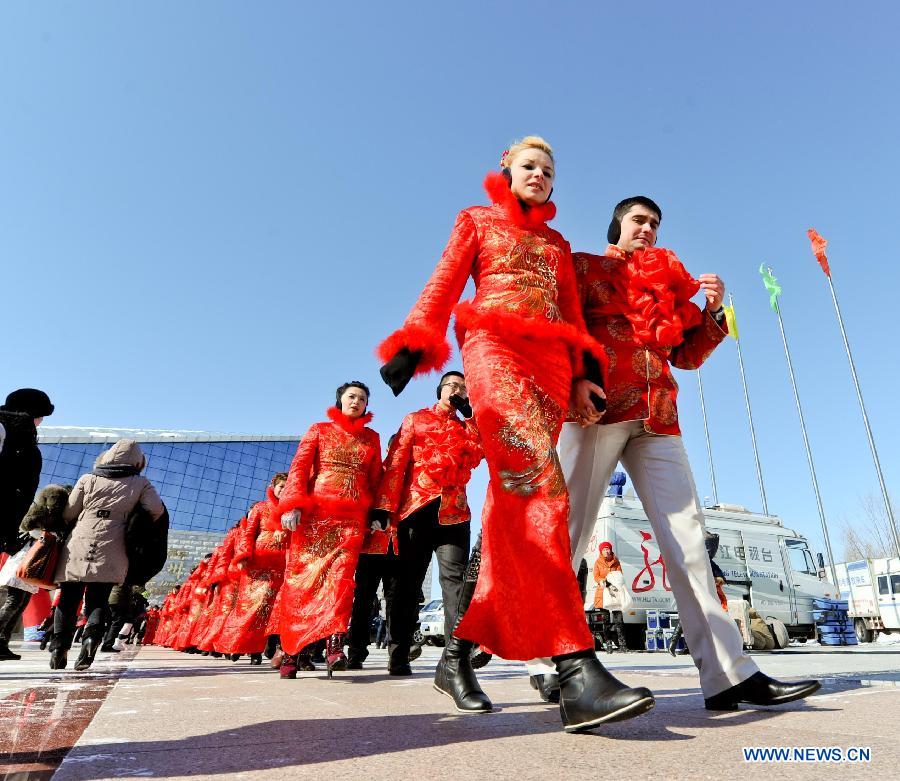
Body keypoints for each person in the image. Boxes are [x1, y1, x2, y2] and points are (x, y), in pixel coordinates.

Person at [377, 136, 653, 731]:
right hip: (494, 352)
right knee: (543, 492)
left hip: (551, 369)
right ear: (507, 168)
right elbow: (445, 282)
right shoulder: (476, 219)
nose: (540, 176)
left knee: (514, 507)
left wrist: (583, 377)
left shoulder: (556, 243)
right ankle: (576, 667)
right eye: (530, 166)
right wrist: (412, 342)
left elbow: (574, 317)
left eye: (549, 171)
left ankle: (455, 658)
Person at [554, 194, 819, 711]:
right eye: (638, 220)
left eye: (654, 223)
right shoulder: (585, 267)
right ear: (617, 224)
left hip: (659, 418)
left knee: (690, 544)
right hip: (597, 409)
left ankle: (729, 675)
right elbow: (563, 331)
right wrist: (574, 384)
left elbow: (686, 355)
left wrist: (713, 314)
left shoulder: (668, 279)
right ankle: (552, 662)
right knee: (569, 533)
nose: (648, 229)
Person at [371, 370, 482, 675]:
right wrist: (383, 508)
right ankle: (399, 652)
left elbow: (481, 454)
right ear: (440, 390)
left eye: (463, 387)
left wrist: (472, 417)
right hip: (415, 510)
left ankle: (455, 659)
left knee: (456, 584)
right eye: (452, 385)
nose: (457, 390)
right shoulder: (415, 419)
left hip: (454, 513)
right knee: (406, 586)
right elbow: (395, 464)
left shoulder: (467, 427)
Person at [274, 381, 383, 678]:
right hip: (315, 519)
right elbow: (299, 468)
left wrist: (376, 513)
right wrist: (292, 505)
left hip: (352, 521)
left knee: (341, 582)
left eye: (362, 398)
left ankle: (335, 645)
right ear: (340, 401)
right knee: (303, 582)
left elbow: (375, 479)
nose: (356, 401)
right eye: (351, 396)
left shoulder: (371, 438)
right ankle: (293, 651)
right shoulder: (319, 430)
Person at [50, 439, 165, 671]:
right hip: (115, 544)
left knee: (68, 598)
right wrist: (133, 521)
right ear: (138, 461)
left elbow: (69, 512)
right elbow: (156, 509)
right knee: (98, 598)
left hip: (79, 542)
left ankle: (59, 647)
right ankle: (91, 639)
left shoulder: (88, 478)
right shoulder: (140, 483)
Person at [217, 474, 290, 664]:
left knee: (273, 610)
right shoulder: (260, 508)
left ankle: (266, 649)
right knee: (250, 607)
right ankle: (238, 644)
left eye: (287, 486)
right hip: (258, 565)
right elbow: (248, 534)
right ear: (273, 487)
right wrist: (243, 556)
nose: (283, 489)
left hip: (281, 567)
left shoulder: (291, 510)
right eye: (280, 486)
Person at [0, 484, 69, 660]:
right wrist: (47, 535)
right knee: (13, 603)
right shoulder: (37, 511)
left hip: (36, 565)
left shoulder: (59, 518)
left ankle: (2, 644)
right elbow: (29, 528)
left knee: (20, 605)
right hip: (27, 560)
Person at [0, 388, 54, 555]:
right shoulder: (26, 447)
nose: (41, 421)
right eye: (41, 416)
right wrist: (10, 537)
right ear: (33, 416)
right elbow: (21, 496)